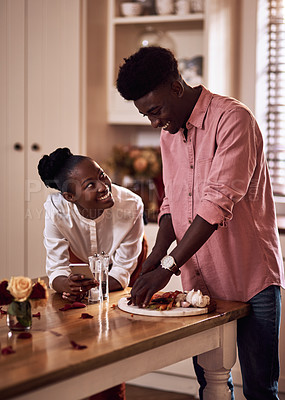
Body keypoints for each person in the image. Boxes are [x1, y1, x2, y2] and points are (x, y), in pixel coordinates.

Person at [116, 46, 285, 400]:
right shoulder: (169, 134)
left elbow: (216, 203)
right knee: (211, 383)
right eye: (146, 115)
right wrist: (157, 251)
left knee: (260, 389)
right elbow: (171, 203)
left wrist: (168, 264)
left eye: (155, 110)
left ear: (177, 87)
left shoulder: (234, 119)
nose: (154, 122)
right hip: (200, 285)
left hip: (251, 277)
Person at [38, 147, 145, 400]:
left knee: (114, 334)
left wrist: (96, 284)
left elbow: (121, 273)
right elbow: (56, 269)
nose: (103, 185)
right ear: (69, 196)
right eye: (90, 184)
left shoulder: (131, 204)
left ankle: (111, 392)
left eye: (102, 175)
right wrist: (67, 284)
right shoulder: (56, 210)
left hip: (126, 261)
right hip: (79, 260)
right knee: (75, 331)